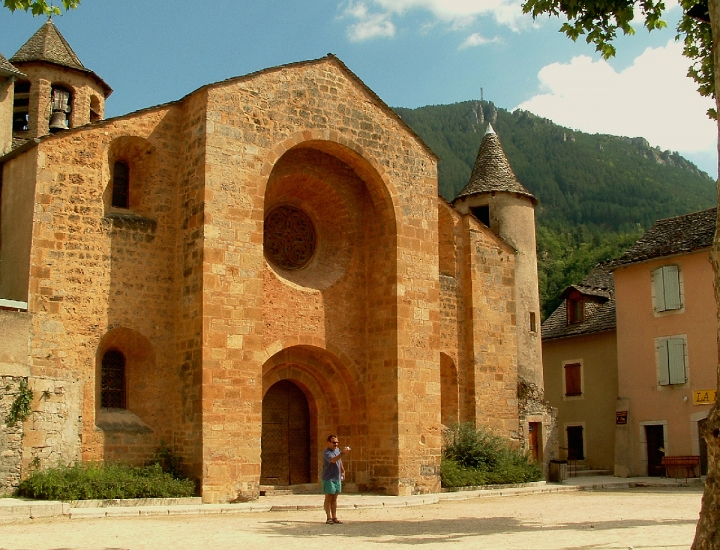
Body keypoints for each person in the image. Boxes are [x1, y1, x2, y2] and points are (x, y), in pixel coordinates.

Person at [321, 434, 350, 524]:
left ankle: (334, 517)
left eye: (337, 442)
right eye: (334, 442)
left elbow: (339, 461)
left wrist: (343, 471)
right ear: (328, 442)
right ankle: (328, 517)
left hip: (337, 477)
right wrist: (343, 453)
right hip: (328, 478)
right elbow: (333, 460)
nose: (336, 444)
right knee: (328, 497)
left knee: (334, 498)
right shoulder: (326, 452)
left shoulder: (337, 450)